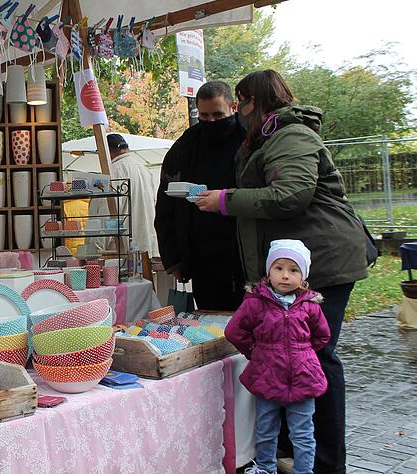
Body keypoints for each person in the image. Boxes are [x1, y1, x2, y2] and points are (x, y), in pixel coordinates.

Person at [196, 69, 368, 473]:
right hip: (298, 263)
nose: (238, 110)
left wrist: (226, 200)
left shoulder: (292, 135)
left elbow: (291, 194)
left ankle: (325, 464)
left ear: (256, 100)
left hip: (321, 263)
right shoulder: (270, 135)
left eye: (241, 101)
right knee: (294, 359)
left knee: (315, 360)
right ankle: (296, 455)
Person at [226, 239, 330, 474]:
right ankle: (265, 468)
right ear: (268, 271)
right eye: (279, 268)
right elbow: (234, 331)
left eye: (293, 270)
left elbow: (322, 336)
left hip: (303, 379)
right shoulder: (255, 302)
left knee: (303, 433)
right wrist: (254, 351)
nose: (285, 276)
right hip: (267, 377)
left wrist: (303, 354)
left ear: (303, 276)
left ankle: (304, 471)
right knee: (265, 429)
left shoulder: (310, 305)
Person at [154, 80, 245, 311]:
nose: (211, 122)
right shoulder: (184, 147)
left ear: (233, 107)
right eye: (204, 116)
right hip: (202, 257)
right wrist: (173, 258)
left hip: (245, 253)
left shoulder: (249, 139)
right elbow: (165, 205)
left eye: (217, 114)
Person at [89, 133, 159, 261]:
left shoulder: (110, 173)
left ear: (107, 151)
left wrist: (93, 252)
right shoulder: (144, 169)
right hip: (147, 244)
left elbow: (103, 216)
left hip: (121, 250)